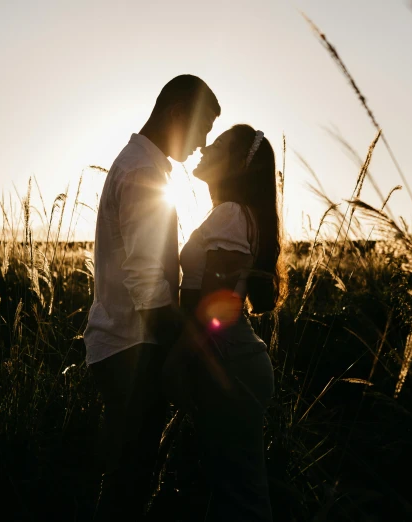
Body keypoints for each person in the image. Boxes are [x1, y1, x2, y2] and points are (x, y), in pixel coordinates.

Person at [84, 74, 220, 521]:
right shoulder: (143, 171)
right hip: (131, 351)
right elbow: (147, 286)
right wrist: (191, 351)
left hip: (122, 346)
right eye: (202, 129)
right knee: (128, 488)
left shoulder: (143, 165)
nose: (202, 145)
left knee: (126, 482)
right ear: (178, 113)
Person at [166, 124, 286, 521]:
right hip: (229, 359)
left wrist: (177, 361)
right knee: (232, 489)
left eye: (215, 146)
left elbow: (215, 310)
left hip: (229, 359)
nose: (202, 150)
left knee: (242, 495)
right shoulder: (232, 215)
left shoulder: (232, 215)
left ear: (236, 164)